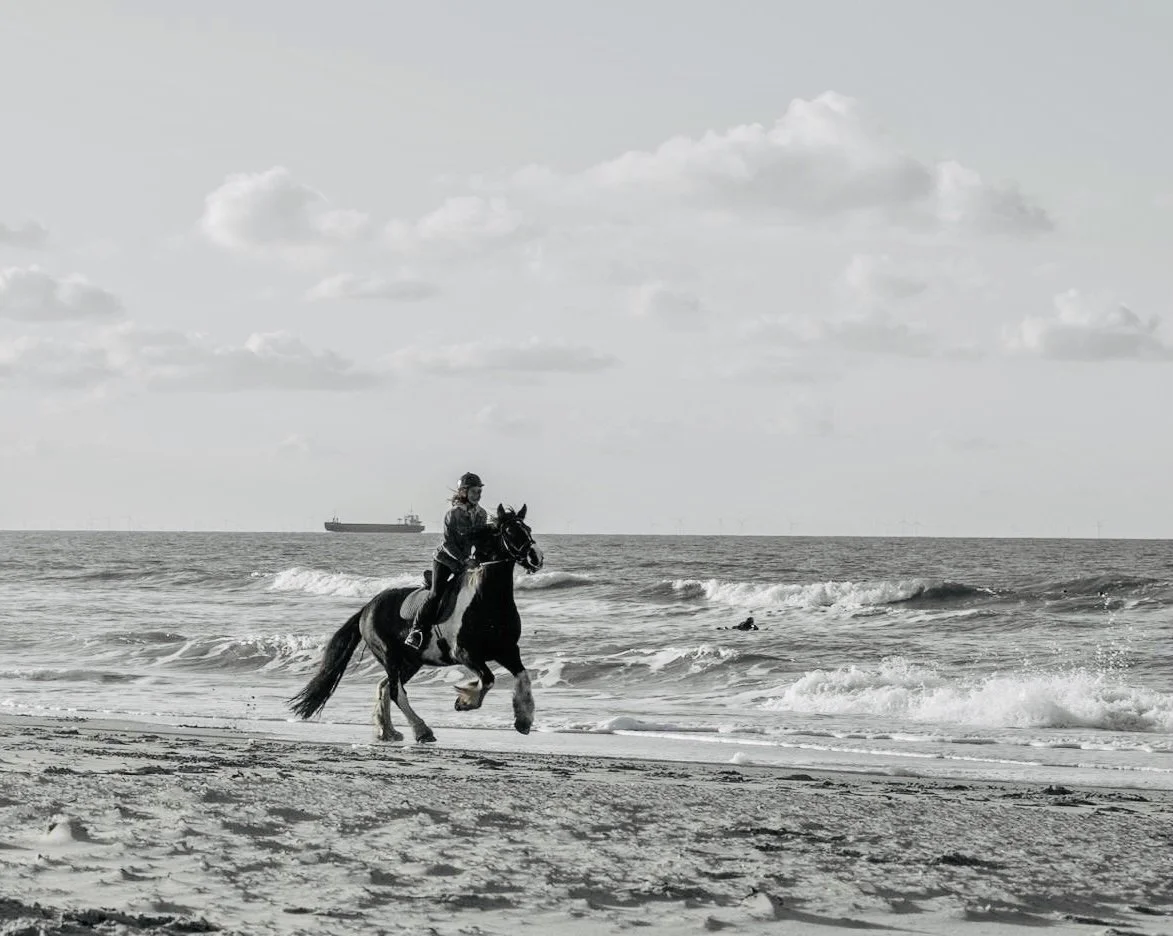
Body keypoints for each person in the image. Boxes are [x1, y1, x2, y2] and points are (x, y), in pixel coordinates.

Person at [404, 472, 489, 650]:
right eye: (474, 491)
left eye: (479, 491)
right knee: (436, 594)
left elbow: (480, 540)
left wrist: (480, 557)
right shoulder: (452, 514)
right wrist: (466, 559)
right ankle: (416, 631)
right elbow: (449, 543)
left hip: (464, 562)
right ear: (464, 492)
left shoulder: (482, 514)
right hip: (445, 559)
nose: (478, 494)